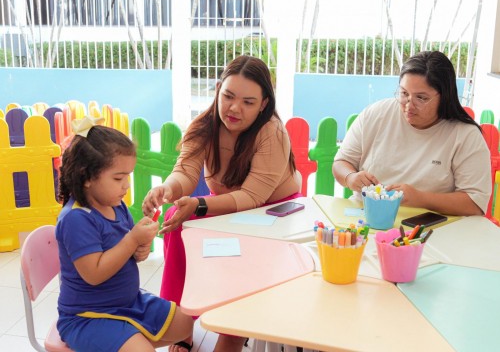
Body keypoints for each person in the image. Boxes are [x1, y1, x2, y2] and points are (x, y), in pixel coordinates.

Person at [142, 55, 301, 352]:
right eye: (228, 96)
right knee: (177, 220)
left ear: (264, 103)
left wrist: (201, 205)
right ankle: (181, 322)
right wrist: (166, 189)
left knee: (243, 258)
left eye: (248, 102)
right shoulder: (204, 126)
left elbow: (253, 197)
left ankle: (233, 333)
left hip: (273, 212)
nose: (234, 108)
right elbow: (185, 173)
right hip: (228, 206)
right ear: (217, 90)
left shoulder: (272, 133)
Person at [55, 116, 193, 352]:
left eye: (128, 176)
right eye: (118, 178)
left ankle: (127, 339)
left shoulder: (117, 207)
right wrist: (132, 240)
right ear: (86, 176)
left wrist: (141, 245)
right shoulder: (76, 219)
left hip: (128, 304)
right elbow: (95, 274)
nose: (127, 185)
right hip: (88, 317)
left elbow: (132, 257)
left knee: (187, 325)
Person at [332, 50, 491, 216]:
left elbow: (475, 203)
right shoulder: (377, 114)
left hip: (431, 228)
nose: (409, 105)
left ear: (444, 97)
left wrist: (421, 199)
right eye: (404, 94)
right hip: (365, 217)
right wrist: (350, 177)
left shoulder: (464, 135)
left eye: (421, 98)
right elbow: (341, 162)